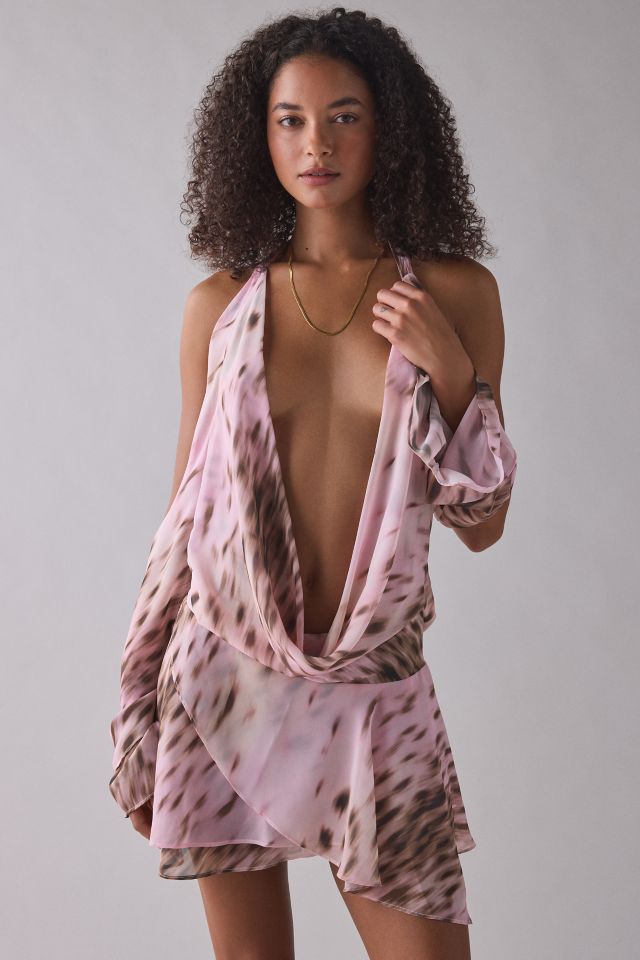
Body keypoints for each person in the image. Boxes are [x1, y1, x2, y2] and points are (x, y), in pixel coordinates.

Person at [108, 8, 518, 960]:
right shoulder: (219, 307)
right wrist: (137, 707)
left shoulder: (455, 294)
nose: (316, 145)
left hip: (375, 691)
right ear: (258, 137)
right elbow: (183, 525)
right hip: (224, 681)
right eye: (290, 120)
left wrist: (452, 371)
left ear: (391, 131)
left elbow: (484, 523)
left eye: (344, 117)